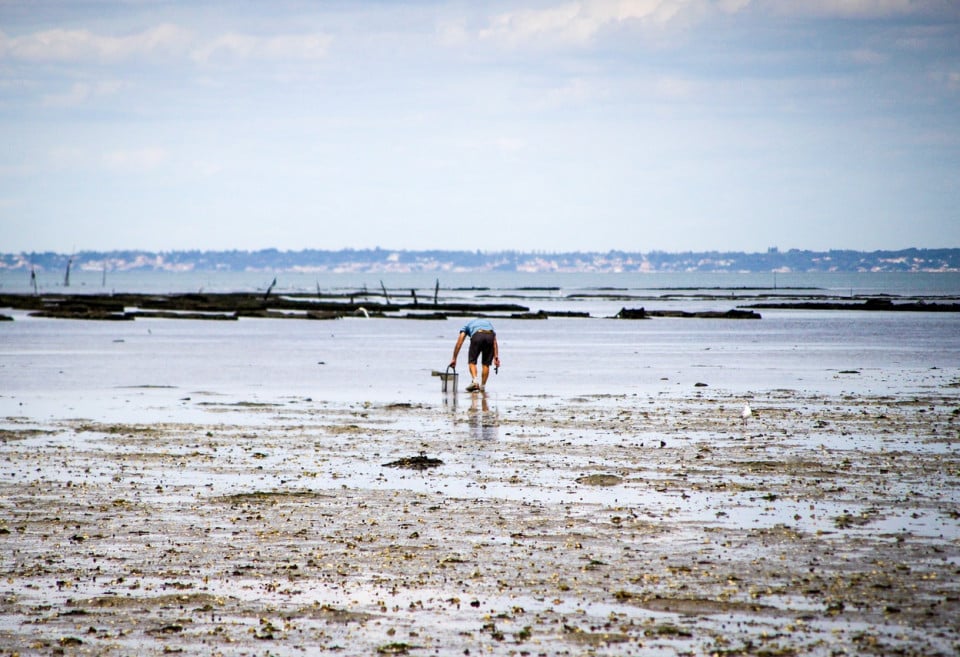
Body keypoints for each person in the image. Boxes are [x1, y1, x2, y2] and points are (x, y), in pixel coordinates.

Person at [449, 318, 500, 392]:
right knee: (486, 364)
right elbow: (494, 341)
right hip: (490, 336)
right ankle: (482, 387)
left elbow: (459, 343)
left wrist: (454, 358)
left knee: (472, 362)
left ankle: (475, 382)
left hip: (477, 335)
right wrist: (496, 356)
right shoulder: (488, 324)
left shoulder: (466, 326)